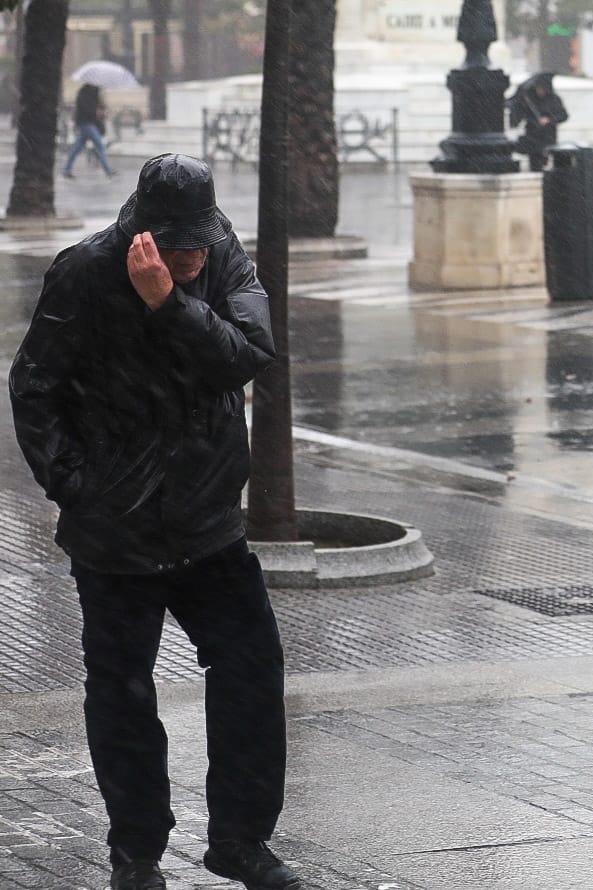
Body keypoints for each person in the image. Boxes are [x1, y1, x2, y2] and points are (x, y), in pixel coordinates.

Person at [9, 154, 301, 890]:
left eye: (199, 241)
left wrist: (170, 302)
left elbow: (246, 357)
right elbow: (34, 386)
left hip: (208, 526)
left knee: (250, 673)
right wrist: (77, 487)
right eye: (176, 246)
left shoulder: (224, 260)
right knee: (122, 693)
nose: (192, 255)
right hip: (115, 535)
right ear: (142, 231)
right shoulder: (85, 272)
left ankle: (239, 841)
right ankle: (135, 853)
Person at [509, 73, 568, 172]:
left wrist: (549, 120)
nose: (539, 91)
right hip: (532, 136)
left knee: (546, 161)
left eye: (541, 88)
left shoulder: (555, 100)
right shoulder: (529, 100)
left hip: (548, 136)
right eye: (537, 88)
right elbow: (518, 117)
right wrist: (521, 106)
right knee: (535, 163)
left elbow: (563, 116)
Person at [62, 82, 116, 179]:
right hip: (86, 124)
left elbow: (97, 107)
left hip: (88, 124)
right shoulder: (85, 93)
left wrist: (100, 106)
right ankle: (108, 171)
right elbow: (86, 109)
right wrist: (96, 112)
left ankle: (67, 170)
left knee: (77, 148)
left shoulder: (93, 93)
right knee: (99, 145)